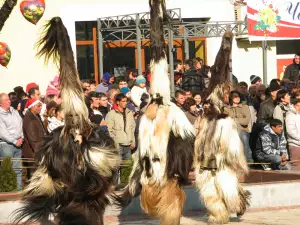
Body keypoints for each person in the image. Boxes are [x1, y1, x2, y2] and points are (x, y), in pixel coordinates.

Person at [0, 93, 23, 190]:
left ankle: (19, 190)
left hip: (18, 144)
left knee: (18, 170)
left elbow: (20, 124)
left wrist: (22, 137)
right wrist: (14, 141)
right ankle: (8, 192)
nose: (9, 101)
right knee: (7, 170)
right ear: (0, 103)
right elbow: (2, 133)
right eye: (5, 100)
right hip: (6, 146)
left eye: (8, 99)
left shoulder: (14, 111)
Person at [224, 91, 253, 163]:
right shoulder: (226, 109)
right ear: (231, 98)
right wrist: (239, 120)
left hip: (243, 130)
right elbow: (226, 121)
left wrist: (234, 120)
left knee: (243, 136)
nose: (237, 98)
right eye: (235, 96)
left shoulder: (245, 107)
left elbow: (246, 121)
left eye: (238, 96)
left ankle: (247, 161)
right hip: (230, 131)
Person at [106, 93, 136, 160]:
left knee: (128, 168)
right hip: (118, 145)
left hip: (128, 144)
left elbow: (132, 128)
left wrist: (132, 141)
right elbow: (109, 130)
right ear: (118, 102)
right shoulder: (111, 114)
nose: (125, 103)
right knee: (117, 167)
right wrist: (115, 143)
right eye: (123, 101)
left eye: (126, 101)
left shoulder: (129, 113)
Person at [286, 99, 300, 170]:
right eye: (298, 106)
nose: (299, 108)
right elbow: (290, 131)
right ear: (294, 105)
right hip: (295, 145)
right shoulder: (290, 115)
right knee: (296, 167)